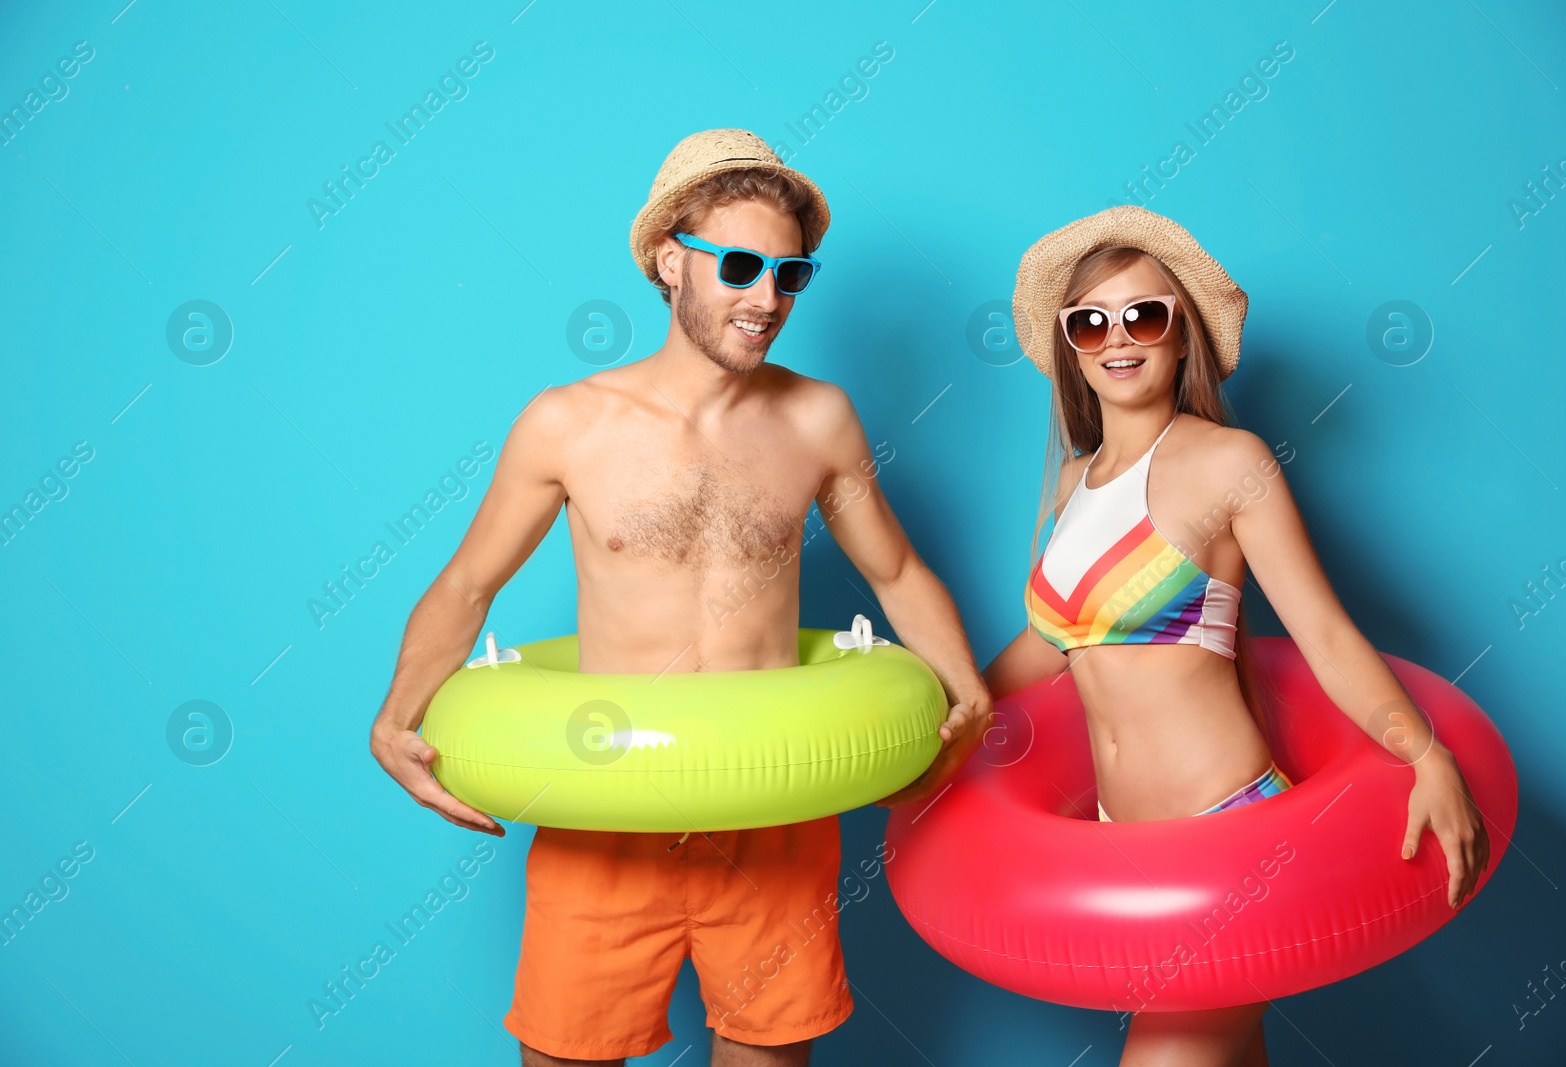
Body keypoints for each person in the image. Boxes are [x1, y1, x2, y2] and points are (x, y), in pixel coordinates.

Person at [367, 127, 992, 1067]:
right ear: (671, 259)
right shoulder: (567, 423)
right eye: (739, 265)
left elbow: (897, 571)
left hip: (774, 822)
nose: (765, 298)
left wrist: (966, 689)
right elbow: (468, 582)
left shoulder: (819, 418)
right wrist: (395, 720)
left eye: (791, 274)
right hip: (605, 825)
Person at [982, 205, 1490, 1066]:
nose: (1119, 338)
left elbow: (1324, 634)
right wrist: (947, 709)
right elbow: (1052, 647)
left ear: (1183, 335)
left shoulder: (1231, 463)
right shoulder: (1074, 479)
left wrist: (1425, 755)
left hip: (1225, 834)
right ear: (1070, 345)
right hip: (1122, 841)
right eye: (1090, 321)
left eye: (1145, 314)